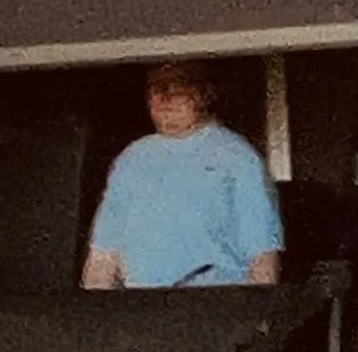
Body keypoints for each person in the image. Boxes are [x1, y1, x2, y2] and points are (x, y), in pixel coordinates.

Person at [83, 61, 284, 288]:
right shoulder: (132, 160)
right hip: (140, 309)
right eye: (155, 89)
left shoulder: (236, 157)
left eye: (176, 88)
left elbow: (262, 255)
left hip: (215, 304)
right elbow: (103, 257)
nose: (163, 98)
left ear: (203, 95)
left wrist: (256, 319)